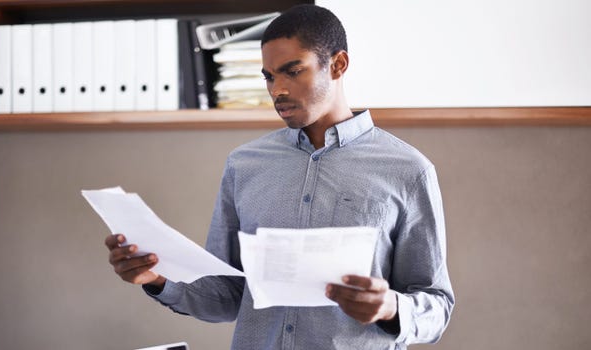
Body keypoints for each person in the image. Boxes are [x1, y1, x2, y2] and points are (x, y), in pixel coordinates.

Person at [105, 4, 454, 349]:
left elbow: (436, 305)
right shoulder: (245, 165)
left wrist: (391, 307)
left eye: (292, 71)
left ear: (338, 65)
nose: (277, 90)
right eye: (269, 77)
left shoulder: (408, 170)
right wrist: (156, 279)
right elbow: (228, 297)